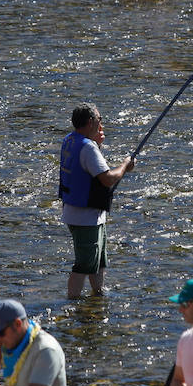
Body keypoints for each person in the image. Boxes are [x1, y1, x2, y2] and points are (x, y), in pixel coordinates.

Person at [57, 103, 136, 297]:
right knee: (83, 265)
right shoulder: (88, 148)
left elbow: (88, 167)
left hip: (84, 213)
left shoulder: (70, 140)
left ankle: (97, 296)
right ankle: (73, 302)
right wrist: (126, 165)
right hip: (85, 217)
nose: (102, 124)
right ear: (91, 122)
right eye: (100, 120)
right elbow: (107, 179)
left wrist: (97, 144)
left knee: (98, 261)